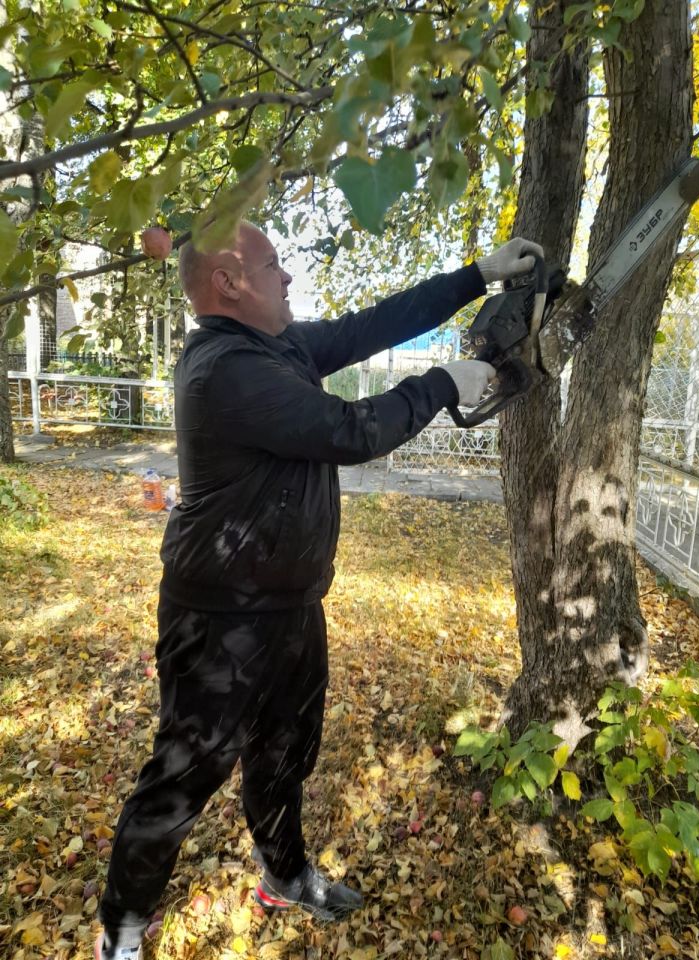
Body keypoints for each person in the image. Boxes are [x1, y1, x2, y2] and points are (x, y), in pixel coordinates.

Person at [95, 221, 542, 960]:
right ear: (228, 284)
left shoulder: (281, 346)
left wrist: (476, 275)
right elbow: (346, 430)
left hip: (293, 609)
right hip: (219, 624)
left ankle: (283, 874)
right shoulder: (224, 370)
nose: (289, 278)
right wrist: (440, 383)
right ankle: (122, 938)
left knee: (284, 755)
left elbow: (375, 324)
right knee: (179, 781)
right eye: (274, 265)